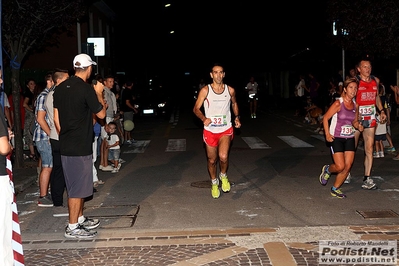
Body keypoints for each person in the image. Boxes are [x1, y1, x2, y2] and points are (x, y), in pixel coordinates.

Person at [53, 53, 106, 239]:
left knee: (80, 185)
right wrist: (99, 93)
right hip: (79, 145)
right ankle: (72, 226)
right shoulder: (86, 89)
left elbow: (56, 118)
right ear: (89, 69)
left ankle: (80, 218)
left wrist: (65, 136)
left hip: (67, 143)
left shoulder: (59, 89)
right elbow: (100, 115)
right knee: (76, 189)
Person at [193, 63, 241, 199]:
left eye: (221, 72)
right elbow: (196, 108)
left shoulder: (230, 90)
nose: (218, 75)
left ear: (224, 74)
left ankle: (223, 176)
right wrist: (204, 118)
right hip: (210, 130)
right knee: (212, 160)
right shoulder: (205, 91)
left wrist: (237, 117)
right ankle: (214, 182)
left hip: (225, 129)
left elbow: (234, 103)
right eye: (215, 72)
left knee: (223, 156)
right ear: (211, 75)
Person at [319, 78, 359, 198]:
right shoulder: (338, 103)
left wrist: (359, 125)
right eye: (351, 87)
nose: (353, 90)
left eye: (355, 88)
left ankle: (335, 189)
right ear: (345, 89)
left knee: (347, 166)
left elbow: (355, 122)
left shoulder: (356, 105)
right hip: (336, 138)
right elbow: (325, 118)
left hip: (349, 137)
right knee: (340, 166)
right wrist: (327, 134)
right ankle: (327, 170)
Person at [352, 59, 386, 189]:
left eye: (369, 67)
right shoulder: (355, 81)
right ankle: (346, 172)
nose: (368, 69)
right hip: (357, 117)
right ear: (359, 69)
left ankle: (367, 178)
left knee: (369, 148)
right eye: (365, 67)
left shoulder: (375, 81)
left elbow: (376, 97)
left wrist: (381, 110)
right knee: (351, 148)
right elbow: (350, 98)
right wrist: (354, 116)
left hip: (370, 116)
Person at [44, 68, 70, 217]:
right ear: (59, 80)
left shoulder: (52, 94)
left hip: (57, 136)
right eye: (67, 78)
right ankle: (58, 203)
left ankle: (59, 200)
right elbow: (57, 118)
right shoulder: (55, 95)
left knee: (60, 170)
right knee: (60, 171)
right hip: (59, 136)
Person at [33, 72, 54, 207]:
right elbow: (40, 119)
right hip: (44, 136)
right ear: (49, 82)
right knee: (47, 166)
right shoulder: (44, 96)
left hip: (45, 136)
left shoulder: (46, 96)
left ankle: (46, 192)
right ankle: (43, 195)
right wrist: (51, 134)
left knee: (48, 165)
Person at [22, 78, 38, 160]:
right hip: (30, 116)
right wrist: (32, 110)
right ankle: (32, 153)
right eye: (31, 84)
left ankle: (33, 152)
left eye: (34, 83)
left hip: (33, 115)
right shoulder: (28, 94)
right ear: (28, 86)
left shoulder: (35, 93)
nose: (33, 85)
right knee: (29, 132)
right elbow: (24, 104)